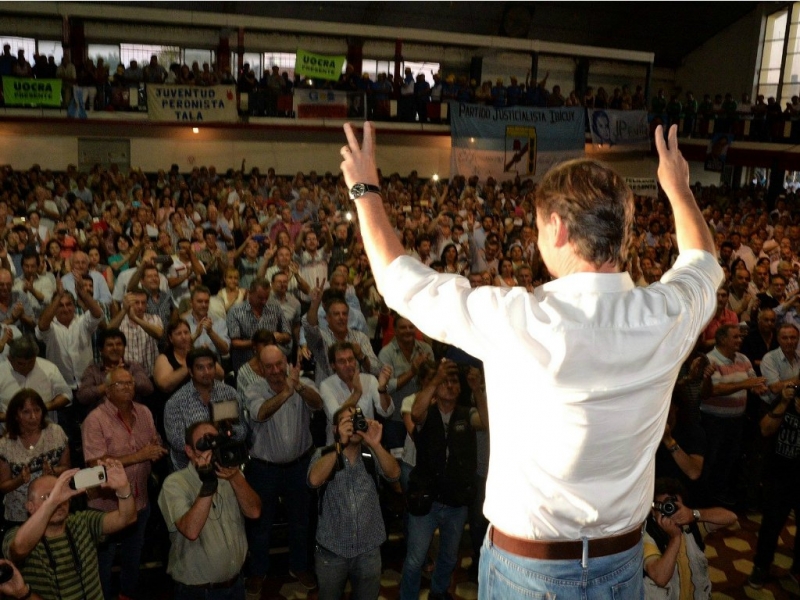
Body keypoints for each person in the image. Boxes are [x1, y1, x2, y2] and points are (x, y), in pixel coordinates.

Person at [339, 121, 722, 594]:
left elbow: (400, 281)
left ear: (558, 229)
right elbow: (703, 262)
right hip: (623, 566)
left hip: (531, 574)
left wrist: (364, 190)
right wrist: (679, 190)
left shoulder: (519, 319)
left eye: (538, 226)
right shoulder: (666, 316)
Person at [81, 367, 166, 600]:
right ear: (108, 390)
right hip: (105, 506)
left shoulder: (145, 412)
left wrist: (155, 451)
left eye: (130, 383)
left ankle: (127, 594)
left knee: (133, 557)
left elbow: (152, 443)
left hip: (139, 499)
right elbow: (95, 465)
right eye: (120, 384)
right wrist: (139, 455)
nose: (127, 387)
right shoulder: (95, 420)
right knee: (103, 562)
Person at [242, 346, 321, 595]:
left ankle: (299, 567)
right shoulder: (254, 389)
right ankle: (257, 572)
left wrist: (298, 387)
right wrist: (287, 393)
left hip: (299, 465)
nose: (276, 371)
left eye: (279, 364)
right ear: (261, 369)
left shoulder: (301, 382)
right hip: (264, 468)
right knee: (260, 524)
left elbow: (318, 404)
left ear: (286, 362)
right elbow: (261, 413)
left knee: (301, 521)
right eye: (270, 367)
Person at [400, 359, 477, 600]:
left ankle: (439, 591)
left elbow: (485, 420)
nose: (450, 385)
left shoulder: (467, 414)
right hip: (426, 499)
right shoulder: (425, 412)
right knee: (415, 560)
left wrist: (477, 389)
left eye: (454, 381)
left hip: (456, 501)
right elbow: (414, 413)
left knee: (449, 556)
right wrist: (435, 379)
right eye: (445, 381)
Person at [3, 462, 136, 600]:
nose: (59, 501)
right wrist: (52, 503)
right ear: (30, 507)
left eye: (62, 494)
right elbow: (18, 549)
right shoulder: (18, 534)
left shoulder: (83, 521)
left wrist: (123, 488)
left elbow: (126, 518)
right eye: (47, 497)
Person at [158, 421, 261, 599]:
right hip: (198, 591)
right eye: (204, 443)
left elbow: (255, 512)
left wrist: (236, 477)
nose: (212, 449)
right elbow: (191, 530)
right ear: (189, 451)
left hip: (236, 585)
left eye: (216, 442)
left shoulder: (231, 474)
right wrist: (208, 485)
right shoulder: (175, 483)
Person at [308, 405, 400, 600]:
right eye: (346, 422)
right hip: (332, 550)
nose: (353, 426)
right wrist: (339, 445)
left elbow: (394, 475)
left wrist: (376, 444)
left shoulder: (371, 455)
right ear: (335, 429)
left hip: (368, 549)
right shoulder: (323, 454)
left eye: (357, 420)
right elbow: (314, 480)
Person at [643, 478, 736, 598]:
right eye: (665, 506)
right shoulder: (647, 536)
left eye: (674, 506)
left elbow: (731, 518)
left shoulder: (692, 527)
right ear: (652, 510)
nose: (670, 511)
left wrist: (694, 514)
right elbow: (660, 578)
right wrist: (675, 538)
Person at [748, 379, 800, 588]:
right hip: (779, 474)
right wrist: (784, 403)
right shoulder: (786, 396)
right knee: (770, 526)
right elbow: (765, 429)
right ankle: (761, 567)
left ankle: (797, 570)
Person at [163, 348, 245, 470]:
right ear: (190, 371)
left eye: (210, 366)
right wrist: (211, 441)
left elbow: (242, 431)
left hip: (226, 464)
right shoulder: (176, 402)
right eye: (200, 368)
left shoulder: (230, 393)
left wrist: (229, 431)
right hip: (190, 470)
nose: (207, 372)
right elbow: (177, 442)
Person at [0, 389, 70, 527]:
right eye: (26, 412)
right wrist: (19, 480)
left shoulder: (56, 433)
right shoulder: (5, 445)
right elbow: (3, 486)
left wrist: (53, 472)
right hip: (21, 513)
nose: (33, 417)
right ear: (16, 416)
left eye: (37, 410)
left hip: (54, 507)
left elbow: (67, 468)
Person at [319, 342, 393, 444]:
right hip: (340, 445)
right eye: (342, 361)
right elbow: (336, 418)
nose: (348, 365)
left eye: (351, 359)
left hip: (367, 444)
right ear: (333, 365)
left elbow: (386, 412)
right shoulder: (326, 385)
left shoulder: (369, 380)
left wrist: (382, 389)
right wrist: (357, 393)